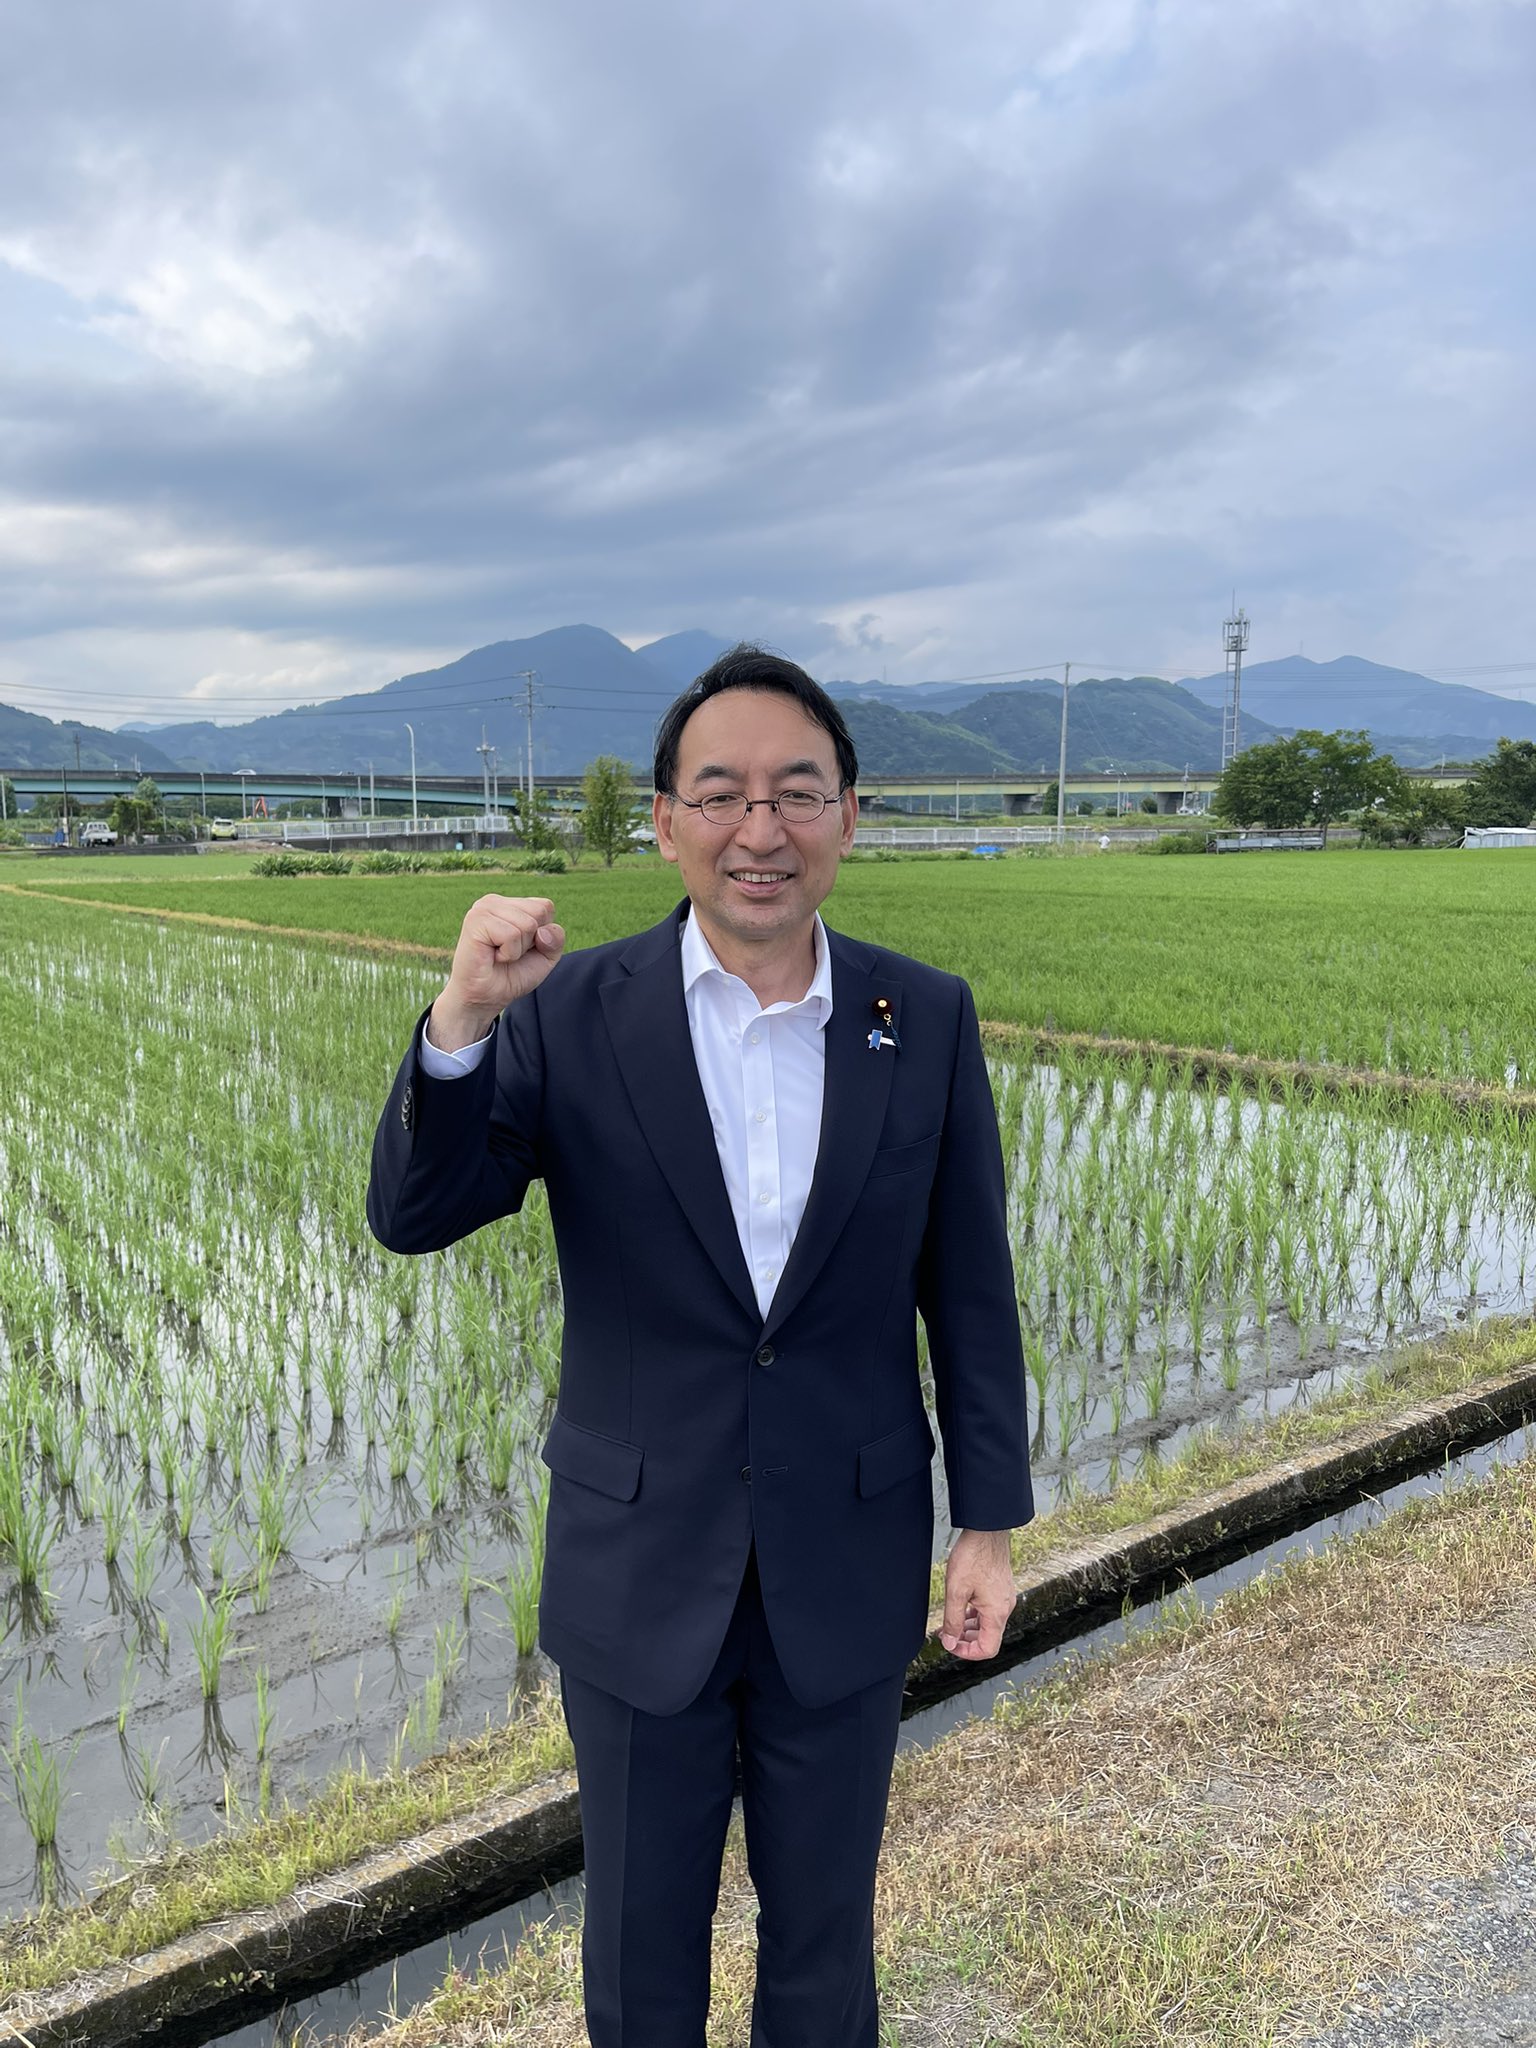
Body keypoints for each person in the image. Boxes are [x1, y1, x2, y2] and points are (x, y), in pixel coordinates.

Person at [367, 645, 1032, 2047]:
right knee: (639, 1958)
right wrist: (461, 1019)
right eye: (721, 795)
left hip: (845, 1561)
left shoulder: (924, 1018)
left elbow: (970, 1289)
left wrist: (988, 1526)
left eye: (798, 792)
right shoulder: (567, 1014)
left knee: (823, 1948)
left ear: (850, 816)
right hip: (636, 1567)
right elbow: (417, 1215)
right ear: (666, 821)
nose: (759, 829)